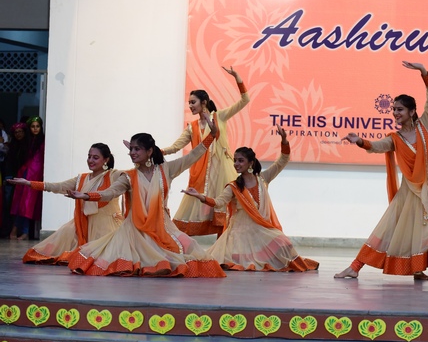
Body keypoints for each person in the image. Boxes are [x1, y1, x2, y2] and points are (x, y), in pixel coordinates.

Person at [334, 62, 428, 281]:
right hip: (410, 191)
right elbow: (376, 146)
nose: (395, 113)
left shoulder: (424, 125)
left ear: (412, 112)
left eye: (400, 109)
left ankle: (417, 268)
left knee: (424, 229)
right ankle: (354, 267)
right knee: (389, 225)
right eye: (393, 109)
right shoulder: (396, 139)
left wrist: (424, 72)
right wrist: (360, 141)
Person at [67, 115, 225, 277]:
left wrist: (211, 135)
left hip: (163, 225)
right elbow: (110, 192)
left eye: (137, 149)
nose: (132, 153)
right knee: (143, 255)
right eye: (131, 149)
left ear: (149, 151)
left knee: (190, 246)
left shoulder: (166, 170)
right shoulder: (129, 176)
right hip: (135, 228)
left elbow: (192, 157)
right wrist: (86, 196)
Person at [182, 128, 318, 272]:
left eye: (241, 160)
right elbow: (218, 202)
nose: (236, 164)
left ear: (251, 163)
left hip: (261, 229)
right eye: (235, 160)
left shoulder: (263, 179)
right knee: (227, 260)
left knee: (284, 242)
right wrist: (200, 196)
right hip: (239, 232)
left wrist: (284, 140)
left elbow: (283, 160)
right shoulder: (234, 186)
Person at [162, 66, 250, 237]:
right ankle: (182, 247)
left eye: (193, 102)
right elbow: (175, 147)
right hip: (201, 174)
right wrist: (155, 151)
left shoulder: (220, 116)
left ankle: (222, 249)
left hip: (223, 171)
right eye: (189, 103)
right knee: (192, 211)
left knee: (226, 213)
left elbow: (245, 100)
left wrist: (237, 78)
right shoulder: (192, 127)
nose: (190, 106)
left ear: (204, 102)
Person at [10, 143, 123, 265]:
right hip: (83, 223)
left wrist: (136, 158)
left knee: (104, 261)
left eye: (95, 158)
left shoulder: (113, 176)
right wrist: (29, 183)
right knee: (45, 253)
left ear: (106, 160)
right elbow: (58, 186)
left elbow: (125, 181)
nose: (90, 160)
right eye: (89, 156)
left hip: (107, 227)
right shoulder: (82, 178)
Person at [10, 116, 45, 240]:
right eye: (33, 126)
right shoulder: (27, 141)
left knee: (28, 203)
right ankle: (16, 230)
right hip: (25, 172)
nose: (35, 129)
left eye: (37, 126)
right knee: (20, 202)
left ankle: (23, 231)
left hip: (35, 175)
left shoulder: (43, 141)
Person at [1, 122, 26, 237]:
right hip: (11, 178)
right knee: (9, 205)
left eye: (20, 132)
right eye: (16, 132)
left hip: (23, 178)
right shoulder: (12, 147)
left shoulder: (27, 146)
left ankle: (18, 230)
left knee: (21, 205)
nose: (18, 134)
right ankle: (8, 230)